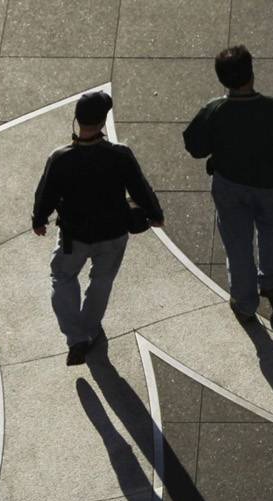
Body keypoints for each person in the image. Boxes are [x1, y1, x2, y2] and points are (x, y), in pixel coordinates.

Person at [32, 90, 164, 365]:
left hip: (73, 235)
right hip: (113, 233)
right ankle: (90, 328)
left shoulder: (60, 158)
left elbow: (45, 193)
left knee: (63, 277)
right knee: (101, 281)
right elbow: (140, 189)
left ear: (77, 120)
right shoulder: (119, 155)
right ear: (103, 122)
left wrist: (40, 219)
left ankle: (75, 338)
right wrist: (155, 214)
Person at [182, 46, 273, 322]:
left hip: (229, 186)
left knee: (237, 244)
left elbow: (195, 147)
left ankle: (245, 301)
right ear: (252, 73)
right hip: (270, 184)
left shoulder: (214, 110)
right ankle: (271, 282)